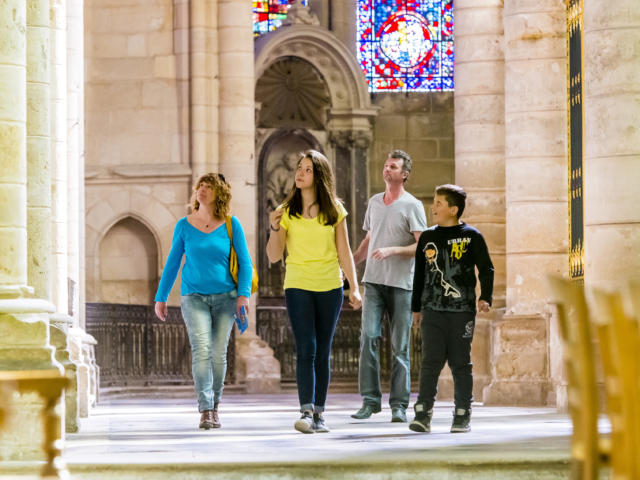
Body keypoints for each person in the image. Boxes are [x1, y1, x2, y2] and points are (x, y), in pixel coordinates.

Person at [266, 149, 362, 434]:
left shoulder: (334, 209)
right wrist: (273, 227)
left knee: (323, 351)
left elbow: (344, 252)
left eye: (307, 169)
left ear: (318, 175)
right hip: (297, 284)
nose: (300, 173)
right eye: (299, 167)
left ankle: (320, 413)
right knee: (306, 348)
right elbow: (274, 255)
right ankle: (305, 411)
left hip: (330, 286)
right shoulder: (286, 211)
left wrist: (354, 288)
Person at [154, 173, 252, 430]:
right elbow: (173, 263)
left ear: (219, 193)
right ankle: (205, 408)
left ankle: (215, 404)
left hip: (226, 298)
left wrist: (243, 295)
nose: (202, 190)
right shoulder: (184, 225)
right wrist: (161, 297)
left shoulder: (232, 224)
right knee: (201, 350)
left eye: (209, 187)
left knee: (218, 355)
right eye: (201, 186)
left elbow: (245, 263)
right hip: (193, 297)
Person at [409, 184, 494, 434]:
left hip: (462, 310)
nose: (432, 207)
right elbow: (420, 276)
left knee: (460, 362)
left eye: (438, 203)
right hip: (432, 309)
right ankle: (423, 413)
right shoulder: (427, 237)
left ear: (453, 209)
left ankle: (462, 413)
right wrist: (416, 308)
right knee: (430, 362)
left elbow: (486, 268)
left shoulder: (472, 236)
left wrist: (485, 297)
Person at [351, 150, 427, 423]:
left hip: (401, 285)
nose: (387, 170)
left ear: (404, 174)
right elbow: (370, 239)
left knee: (400, 346)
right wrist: (350, 266)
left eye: (393, 167)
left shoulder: (413, 205)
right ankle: (370, 401)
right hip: (373, 282)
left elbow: (423, 247)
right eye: (385, 165)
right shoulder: (374, 202)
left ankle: (398, 405)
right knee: (368, 338)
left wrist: (393, 250)